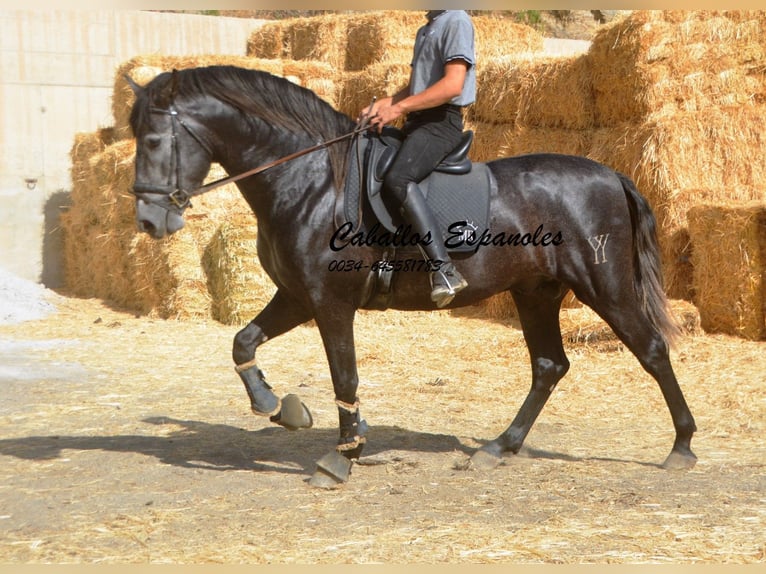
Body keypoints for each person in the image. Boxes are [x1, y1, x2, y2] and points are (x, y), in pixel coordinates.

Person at [359, 10, 476, 308]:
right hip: (418, 122)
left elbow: (452, 85)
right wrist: (384, 104)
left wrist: (398, 110)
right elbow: (416, 88)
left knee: (399, 178)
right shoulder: (427, 28)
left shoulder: (456, 19)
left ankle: (445, 271)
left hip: (441, 124)